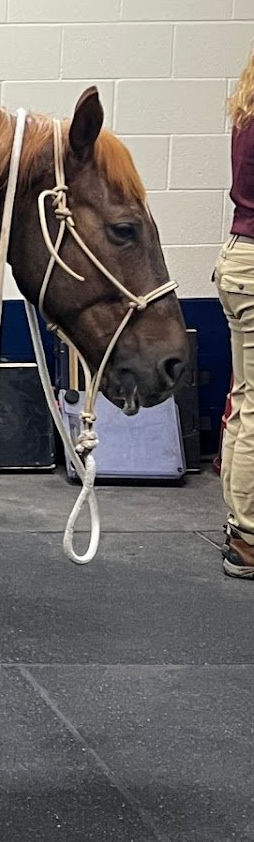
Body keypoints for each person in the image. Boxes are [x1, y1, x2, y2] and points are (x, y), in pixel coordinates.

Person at [214, 45, 254, 578]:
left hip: (238, 259)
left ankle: (240, 527)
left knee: (244, 402)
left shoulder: (245, 114)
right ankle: (247, 538)